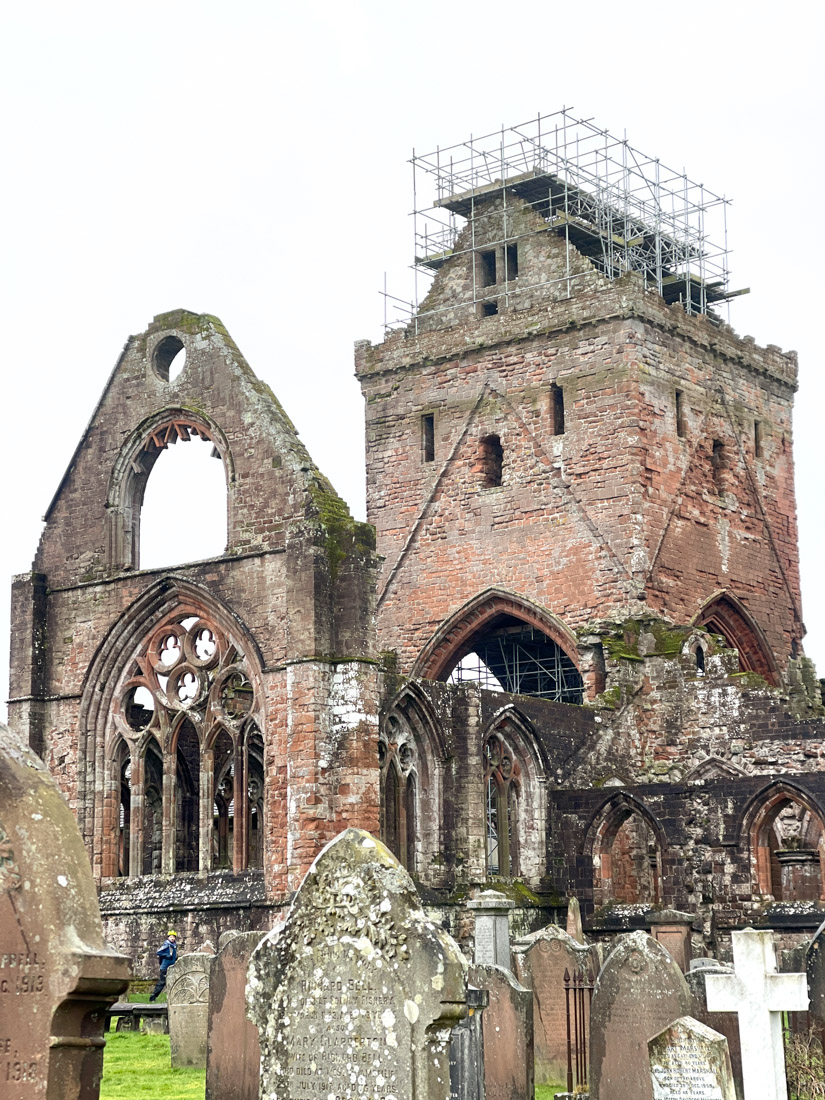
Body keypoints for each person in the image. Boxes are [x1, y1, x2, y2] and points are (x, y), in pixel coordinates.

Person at [148, 930, 178, 1002]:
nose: (172, 938)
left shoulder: (174, 946)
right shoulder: (166, 945)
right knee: (162, 982)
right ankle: (153, 997)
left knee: (173, 982)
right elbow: (158, 952)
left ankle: (172, 998)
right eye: (171, 937)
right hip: (165, 967)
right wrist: (167, 955)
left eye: (173, 937)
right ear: (168, 937)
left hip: (172, 966)